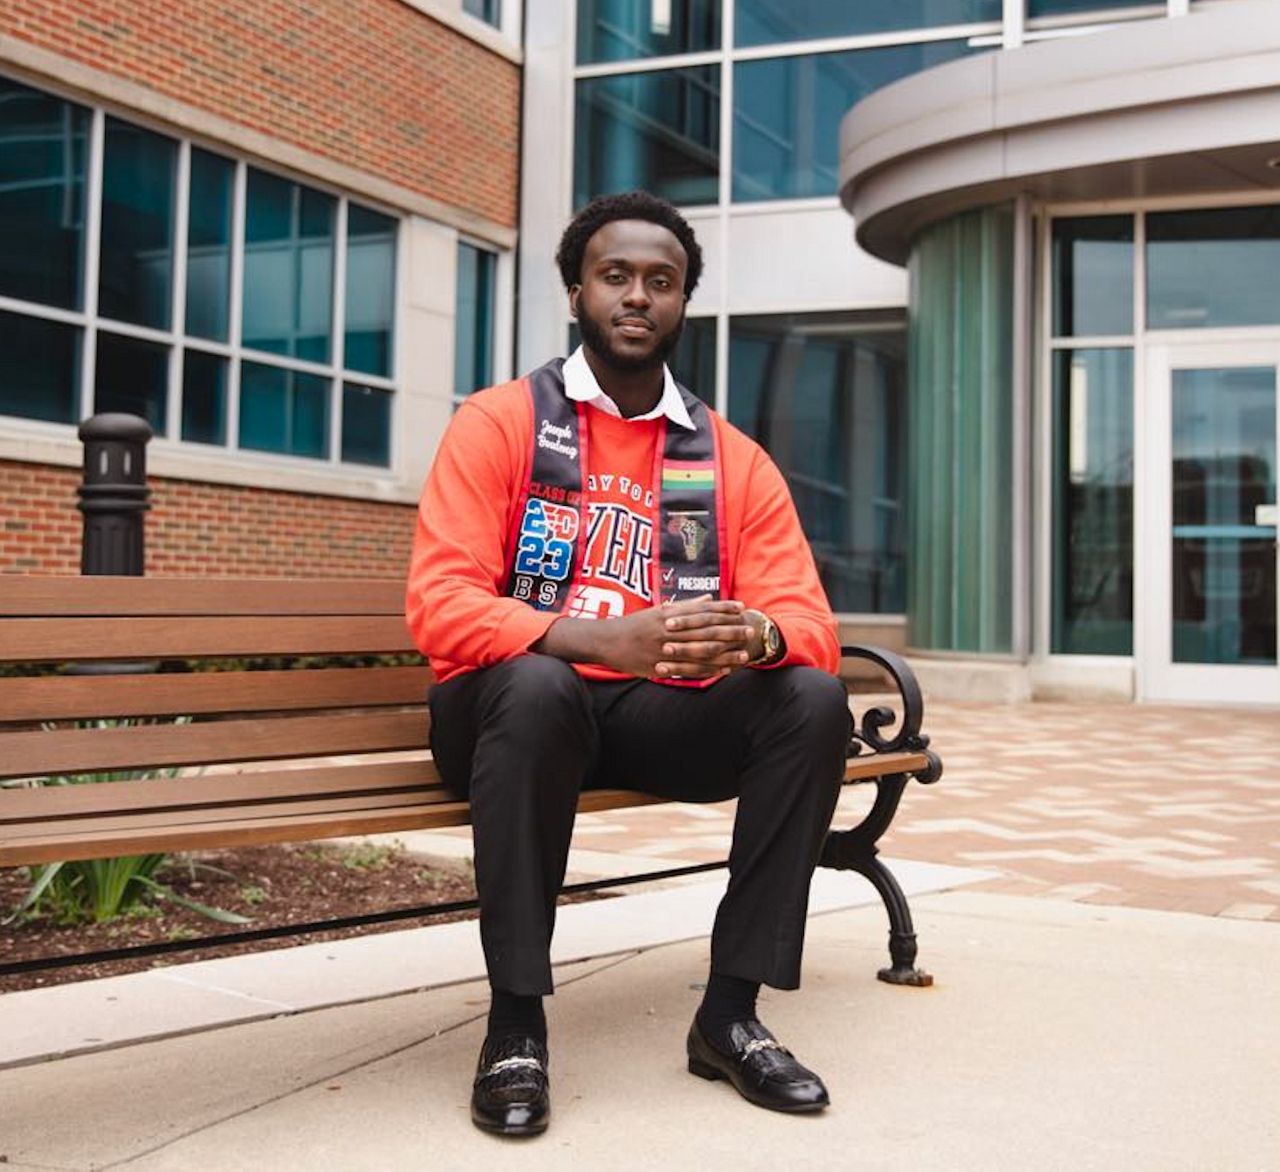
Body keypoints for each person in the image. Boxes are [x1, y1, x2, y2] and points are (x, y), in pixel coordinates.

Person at [405, 190, 851, 1138]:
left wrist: (755, 638)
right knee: (538, 681)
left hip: (654, 719)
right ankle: (515, 1027)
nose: (638, 296)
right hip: (506, 717)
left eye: (662, 281)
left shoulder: (727, 458)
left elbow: (807, 622)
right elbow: (439, 605)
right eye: (616, 277)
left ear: (685, 302)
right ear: (577, 292)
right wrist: (592, 636)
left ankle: (730, 1014)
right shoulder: (502, 423)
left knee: (810, 700)